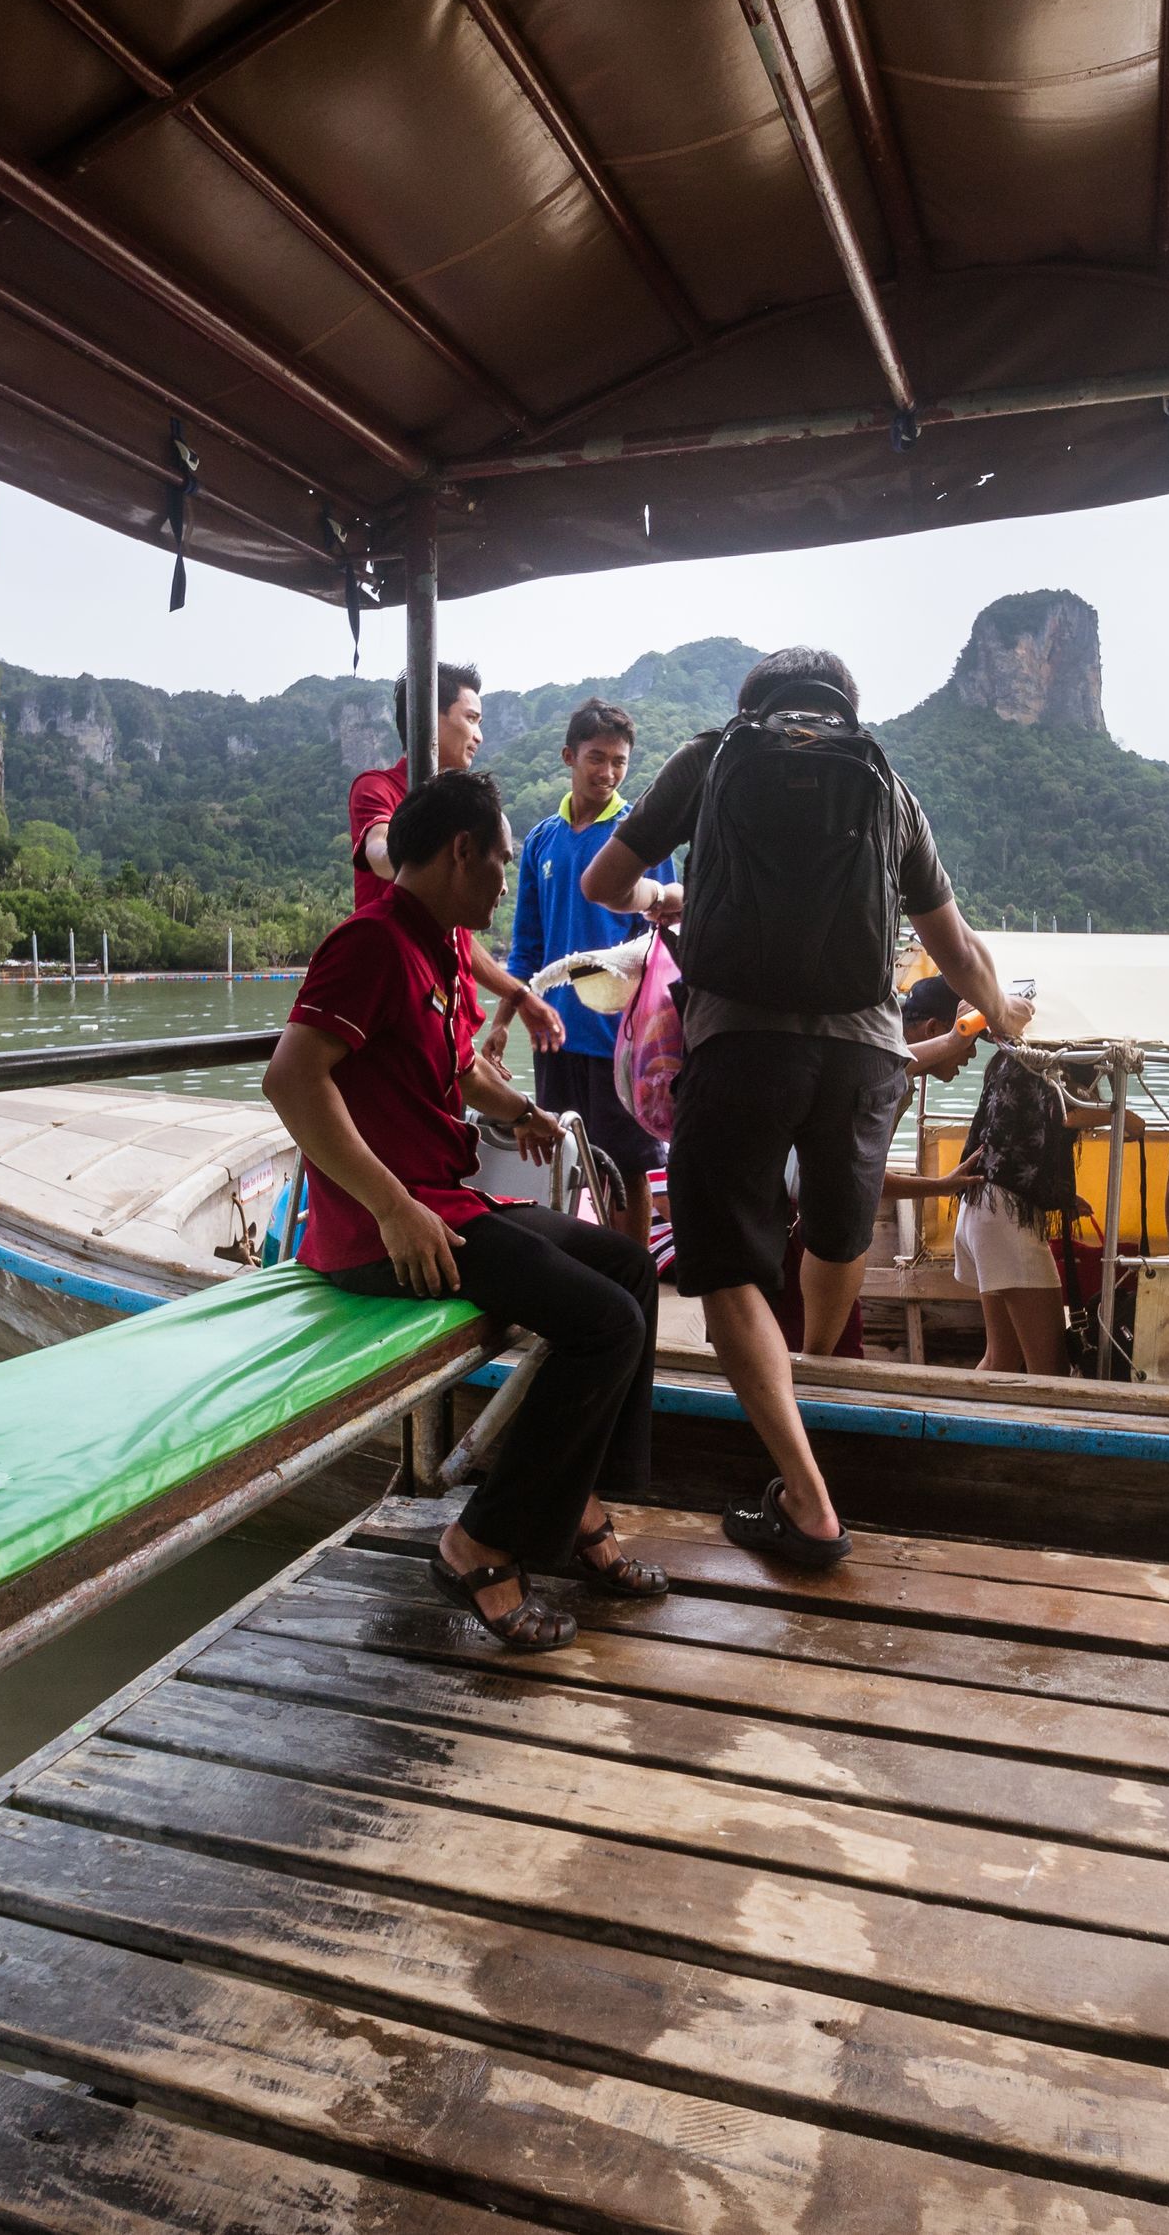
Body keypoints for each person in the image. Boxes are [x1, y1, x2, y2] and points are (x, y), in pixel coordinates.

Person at [584, 646, 1029, 1569]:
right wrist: (1010, 1020)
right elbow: (955, 949)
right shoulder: (884, 780)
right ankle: (817, 1385)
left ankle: (808, 1500)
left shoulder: (710, 758)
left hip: (740, 1044)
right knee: (836, 1231)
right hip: (866, 1054)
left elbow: (602, 885)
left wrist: (664, 896)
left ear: (754, 706)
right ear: (842, 706)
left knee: (723, 1265)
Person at [267, 768, 661, 1652]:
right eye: (500, 863)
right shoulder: (368, 944)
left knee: (630, 1270)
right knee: (604, 1323)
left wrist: (519, 1112)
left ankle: (582, 1499)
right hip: (392, 1232)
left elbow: (457, 1064)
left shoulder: (439, 944)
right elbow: (292, 1077)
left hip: (447, 1201)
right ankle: (477, 1538)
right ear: (459, 852)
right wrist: (394, 1207)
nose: (504, 881)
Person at [493, 698, 678, 1227]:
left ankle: (634, 1293)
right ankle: (593, 1281)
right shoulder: (541, 842)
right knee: (568, 1162)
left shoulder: (638, 834)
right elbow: (526, 943)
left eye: (619, 761)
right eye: (596, 758)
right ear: (568, 756)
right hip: (554, 1033)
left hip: (619, 1037)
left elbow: (658, 938)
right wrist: (503, 1021)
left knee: (629, 1167)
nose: (608, 772)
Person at [895, 976, 1118, 1374]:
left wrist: (1060, 1198)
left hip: (981, 1209)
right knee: (1049, 1368)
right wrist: (1121, 1116)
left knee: (1001, 1359)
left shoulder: (1010, 1057)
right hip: (1008, 1217)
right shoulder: (1055, 1062)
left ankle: (957, 1433)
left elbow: (1015, 1141)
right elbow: (1064, 1114)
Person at [350, 659, 562, 1055]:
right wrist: (421, 861)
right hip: (406, 1018)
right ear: (430, 718)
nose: (479, 735)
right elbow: (378, 846)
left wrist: (519, 995)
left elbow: (461, 941)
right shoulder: (378, 788)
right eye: (471, 718)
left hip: (452, 1022)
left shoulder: (461, 811)